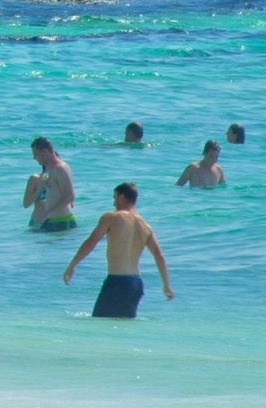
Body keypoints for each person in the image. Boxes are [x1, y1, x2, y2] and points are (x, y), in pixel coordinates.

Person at [62, 182, 173, 319]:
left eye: (114, 198)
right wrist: (166, 285)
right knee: (124, 330)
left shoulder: (111, 218)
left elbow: (91, 242)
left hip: (117, 281)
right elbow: (159, 256)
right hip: (136, 285)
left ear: (121, 197)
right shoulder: (145, 226)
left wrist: (72, 265)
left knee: (99, 323)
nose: (114, 203)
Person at [24, 136, 76, 231]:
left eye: (36, 154)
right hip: (51, 220)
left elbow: (69, 196)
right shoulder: (49, 169)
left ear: (45, 152)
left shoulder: (60, 168)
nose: (34, 158)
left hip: (62, 221)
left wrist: (48, 213)